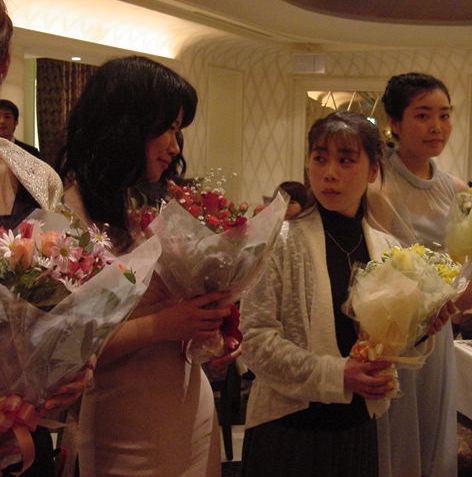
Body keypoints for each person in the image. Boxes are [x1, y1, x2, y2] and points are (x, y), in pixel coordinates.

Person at [58, 55, 238, 477]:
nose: (175, 147)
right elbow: (65, 347)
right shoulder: (72, 214)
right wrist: (164, 324)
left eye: (178, 130)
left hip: (189, 405)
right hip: (124, 422)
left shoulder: (155, 202)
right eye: (168, 128)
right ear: (127, 125)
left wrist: (216, 330)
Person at [240, 111, 421, 477]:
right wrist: (338, 374)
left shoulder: (387, 249)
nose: (329, 173)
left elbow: (392, 341)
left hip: (357, 427)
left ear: (372, 171)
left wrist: (425, 326)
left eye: (346, 160)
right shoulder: (280, 242)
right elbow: (255, 341)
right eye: (320, 158)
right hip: (289, 429)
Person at [368, 72, 472, 477]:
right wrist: (450, 296)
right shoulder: (377, 184)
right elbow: (376, 274)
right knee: (397, 433)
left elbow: (463, 261)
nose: (437, 126)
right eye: (422, 115)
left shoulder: (456, 188)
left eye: (444, 115)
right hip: (393, 332)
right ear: (395, 123)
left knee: (432, 428)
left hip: (439, 331)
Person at [0, 2, 92, 476]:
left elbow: (61, 302)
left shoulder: (39, 180)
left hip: (22, 431)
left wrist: (71, 364)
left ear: (2, 63)